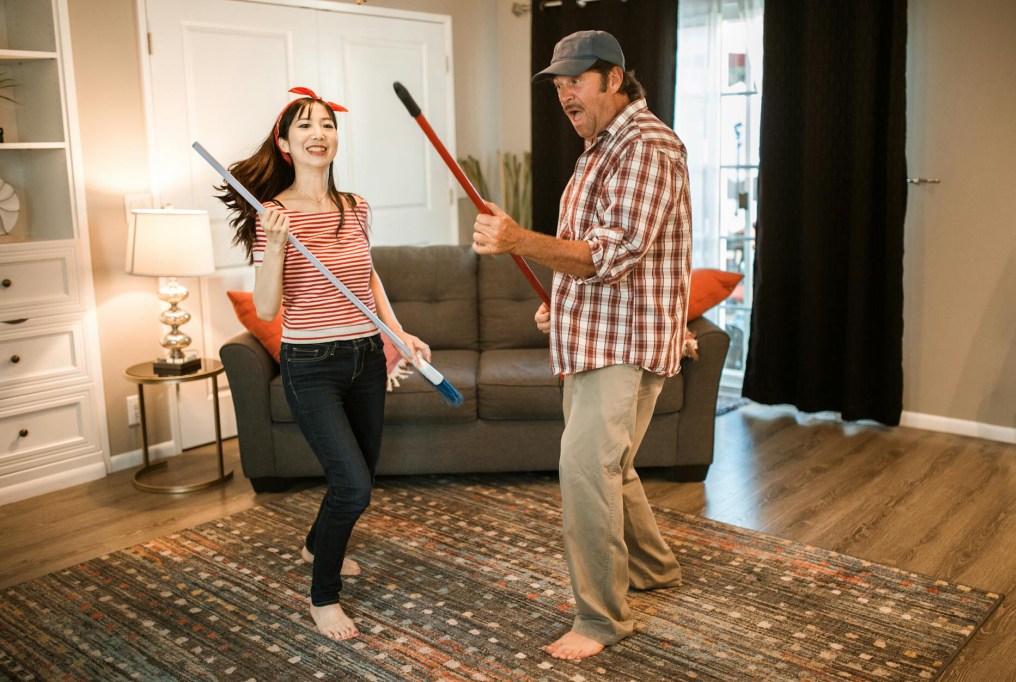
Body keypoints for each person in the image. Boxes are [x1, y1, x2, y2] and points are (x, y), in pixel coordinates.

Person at [471, 31, 692, 660]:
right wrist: (561, 301)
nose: (566, 93)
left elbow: (612, 253)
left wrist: (517, 239)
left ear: (614, 78)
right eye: (559, 84)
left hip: (622, 344)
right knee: (611, 466)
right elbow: (590, 256)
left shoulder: (645, 145)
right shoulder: (600, 148)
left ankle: (600, 620)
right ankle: (655, 568)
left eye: (577, 80)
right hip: (597, 335)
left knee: (586, 472)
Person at [217, 87, 431, 642]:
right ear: (285, 144)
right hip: (311, 365)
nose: (319, 134)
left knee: (360, 476)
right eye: (306, 126)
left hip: (365, 358)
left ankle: (317, 542)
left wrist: (397, 331)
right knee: (353, 487)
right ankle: (323, 595)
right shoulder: (273, 215)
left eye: (328, 124)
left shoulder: (355, 206)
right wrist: (275, 246)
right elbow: (268, 308)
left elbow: (368, 276)